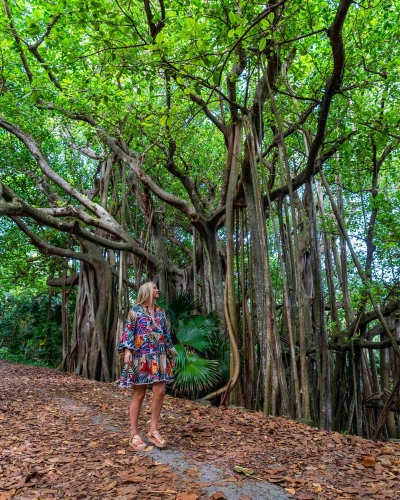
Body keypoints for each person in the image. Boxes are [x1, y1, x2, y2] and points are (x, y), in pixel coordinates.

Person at [117, 282, 177, 450]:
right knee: (139, 394)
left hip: (159, 356)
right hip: (140, 356)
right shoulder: (135, 310)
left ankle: (153, 430)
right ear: (147, 291)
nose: (158, 290)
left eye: (158, 287)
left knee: (160, 391)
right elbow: (129, 331)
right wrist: (128, 350)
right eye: (155, 288)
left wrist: (170, 354)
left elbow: (165, 334)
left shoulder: (160, 312)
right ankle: (134, 434)